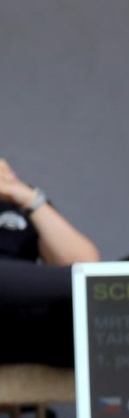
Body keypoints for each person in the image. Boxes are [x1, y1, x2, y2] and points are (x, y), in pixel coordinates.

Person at [0, 157, 99, 368]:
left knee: (89, 309)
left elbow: (85, 265)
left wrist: (29, 199)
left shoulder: (15, 200)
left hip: (24, 323)